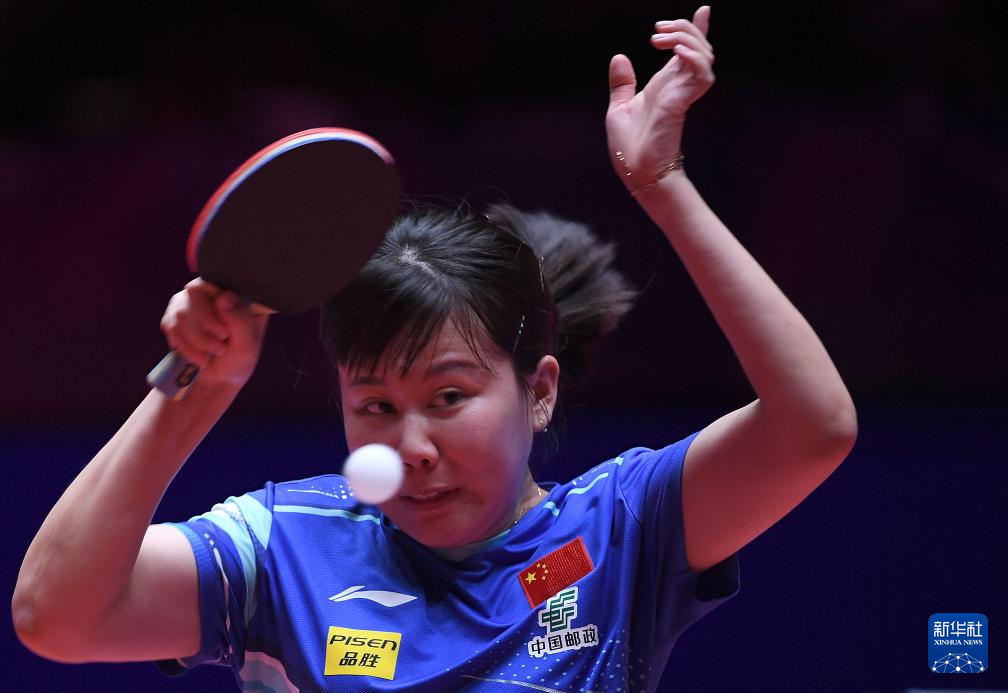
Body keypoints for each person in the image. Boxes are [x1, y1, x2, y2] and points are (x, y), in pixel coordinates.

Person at [13, 6, 857, 692]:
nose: (410, 446)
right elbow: (55, 616)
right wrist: (191, 389)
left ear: (539, 390)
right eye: (375, 404)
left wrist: (665, 188)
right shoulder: (282, 548)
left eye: (449, 396)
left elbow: (813, 426)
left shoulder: (619, 532)